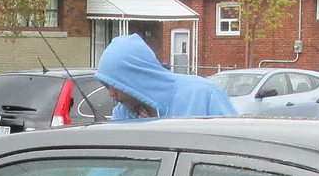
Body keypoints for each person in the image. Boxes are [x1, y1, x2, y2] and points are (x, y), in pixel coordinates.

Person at [94, 33, 237, 120]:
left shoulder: (204, 95)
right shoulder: (123, 114)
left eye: (116, 84)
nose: (111, 93)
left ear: (135, 77)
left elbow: (236, 145)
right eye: (107, 85)